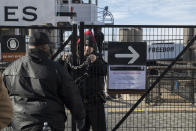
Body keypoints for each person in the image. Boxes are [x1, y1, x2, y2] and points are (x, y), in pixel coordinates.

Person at [2, 31, 85, 131]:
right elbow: (72, 94)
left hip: (20, 124)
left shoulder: (10, 69)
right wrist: (80, 117)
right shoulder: (56, 69)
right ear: (45, 47)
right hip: (50, 123)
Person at [60, 30, 107, 131]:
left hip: (96, 103)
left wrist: (95, 62)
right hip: (80, 103)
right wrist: (62, 60)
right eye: (85, 45)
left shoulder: (97, 57)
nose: (87, 48)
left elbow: (104, 70)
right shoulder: (73, 58)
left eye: (90, 46)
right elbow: (62, 74)